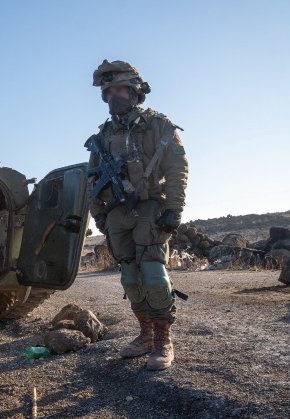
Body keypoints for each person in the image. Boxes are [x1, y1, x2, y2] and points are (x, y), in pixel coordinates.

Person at [88, 60, 189, 370]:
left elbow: (177, 169)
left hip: (150, 209)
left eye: (118, 90)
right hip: (117, 215)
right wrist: (99, 216)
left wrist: (174, 209)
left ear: (134, 92)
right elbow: (92, 180)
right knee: (130, 279)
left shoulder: (158, 125)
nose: (112, 97)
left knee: (154, 277)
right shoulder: (103, 135)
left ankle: (162, 340)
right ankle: (145, 335)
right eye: (108, 92)